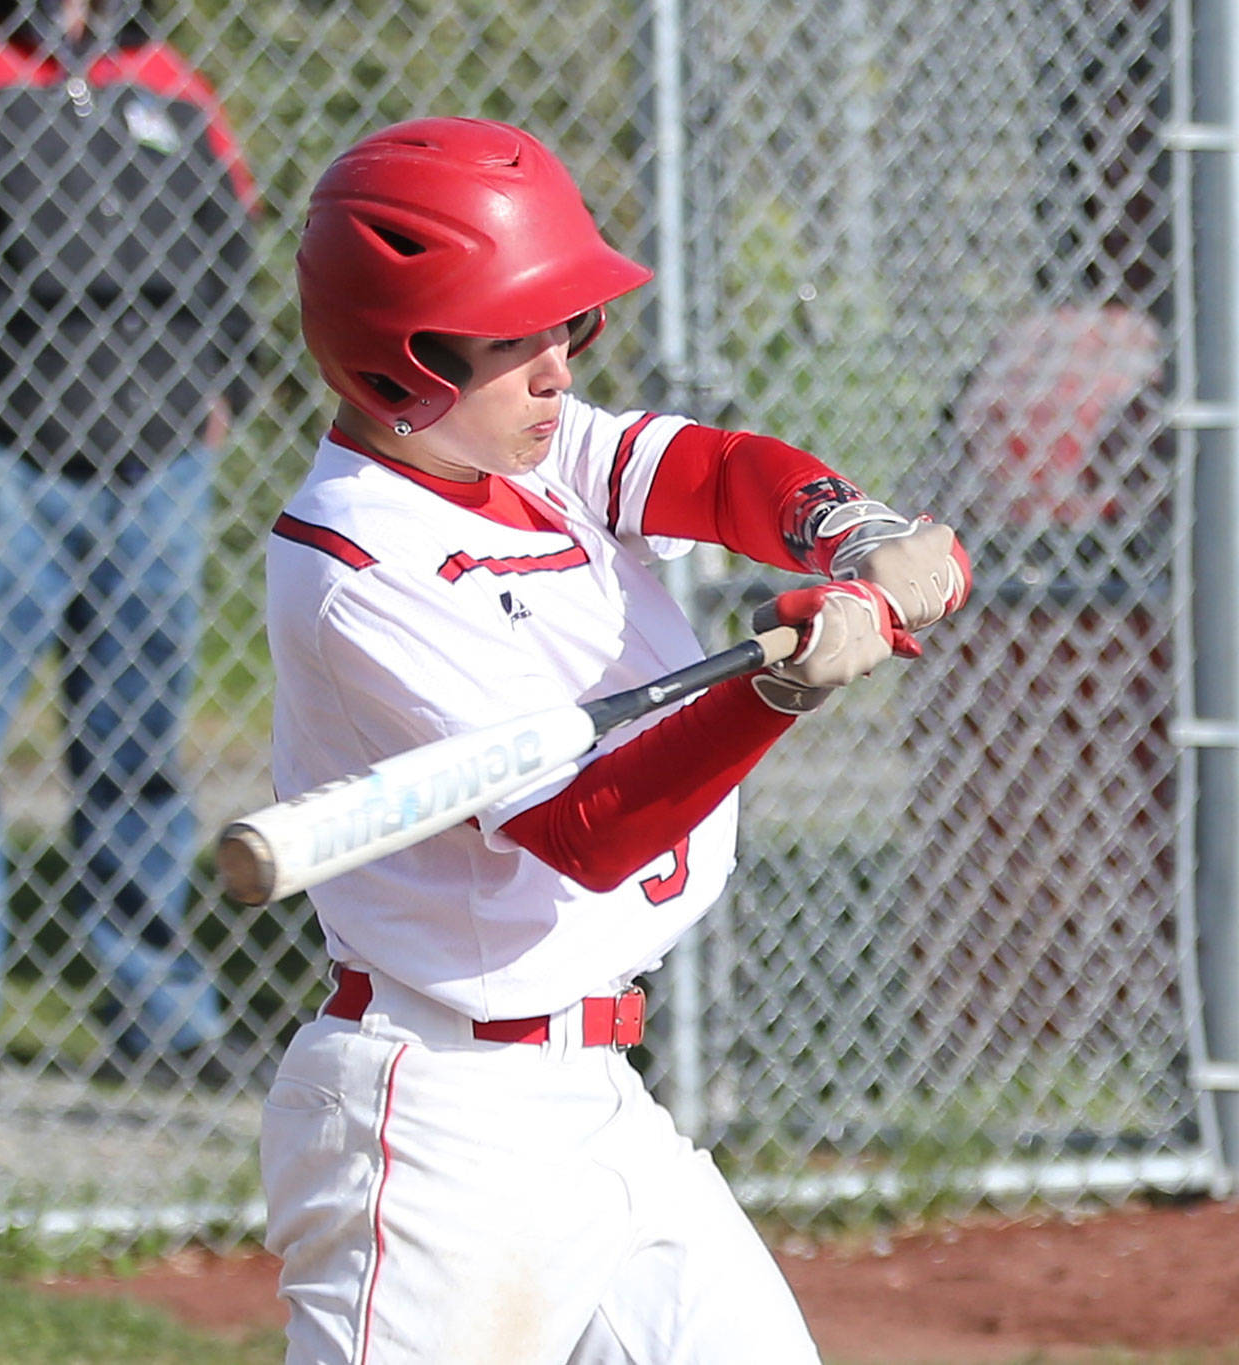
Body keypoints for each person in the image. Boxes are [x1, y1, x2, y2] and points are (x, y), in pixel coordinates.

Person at [260, 115, 970, 1362]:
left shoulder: (524, 452)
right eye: (515, 338)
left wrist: (847, 531)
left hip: (594, 1100)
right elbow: (584, 832)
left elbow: (705, 469)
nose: (558, 368)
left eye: (569, 327)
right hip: (436, 1128)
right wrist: (778, 695)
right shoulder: (356, 560)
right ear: (398, 365)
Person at [0, 0, 259, 1084]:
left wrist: (225, 385)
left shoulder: (171, 82)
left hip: (158, 461)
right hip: (11, 450)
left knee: (137, 746)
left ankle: (160, 1018)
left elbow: (231, 243)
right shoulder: (0, 72)